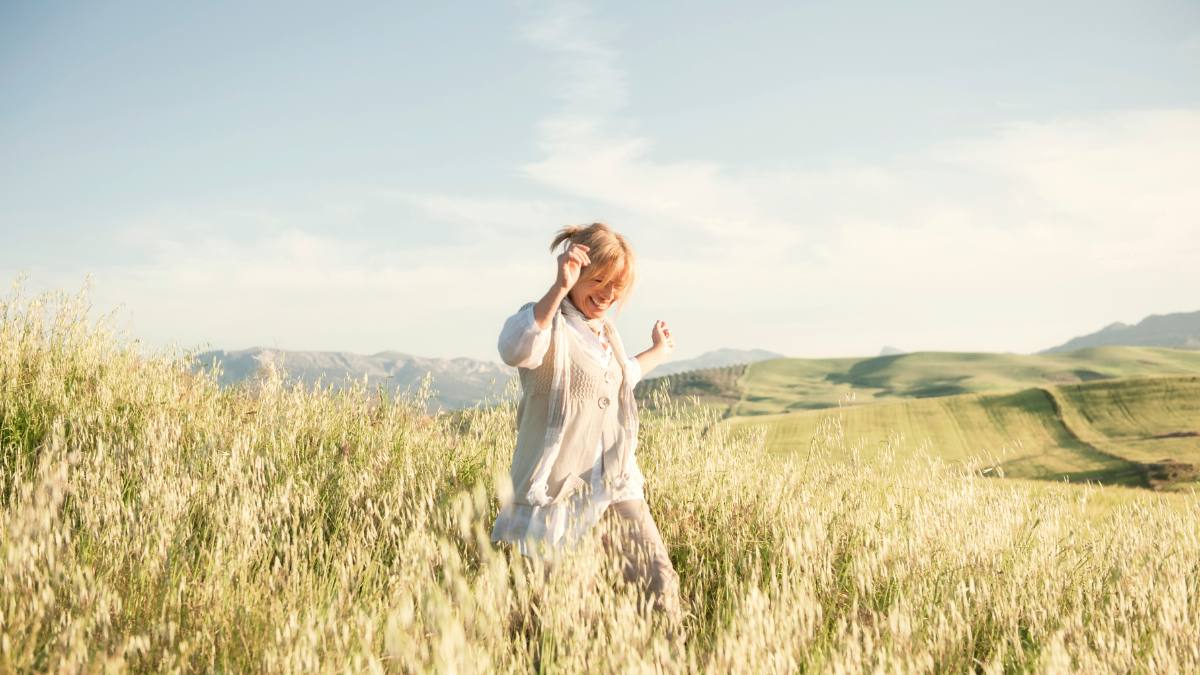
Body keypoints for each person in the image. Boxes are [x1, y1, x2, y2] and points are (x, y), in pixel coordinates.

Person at [492, 222, 682, 622]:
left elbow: (618, 378)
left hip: (615, 484)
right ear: (576, 273)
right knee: (553, 612)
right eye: (599, 280)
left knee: (660, 584)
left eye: (617, 286)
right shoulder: (547, 324)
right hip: (555, 493)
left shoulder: (606, 334)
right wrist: (558, 287)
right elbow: (514, 348)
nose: (608, 294)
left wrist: (657, 353)